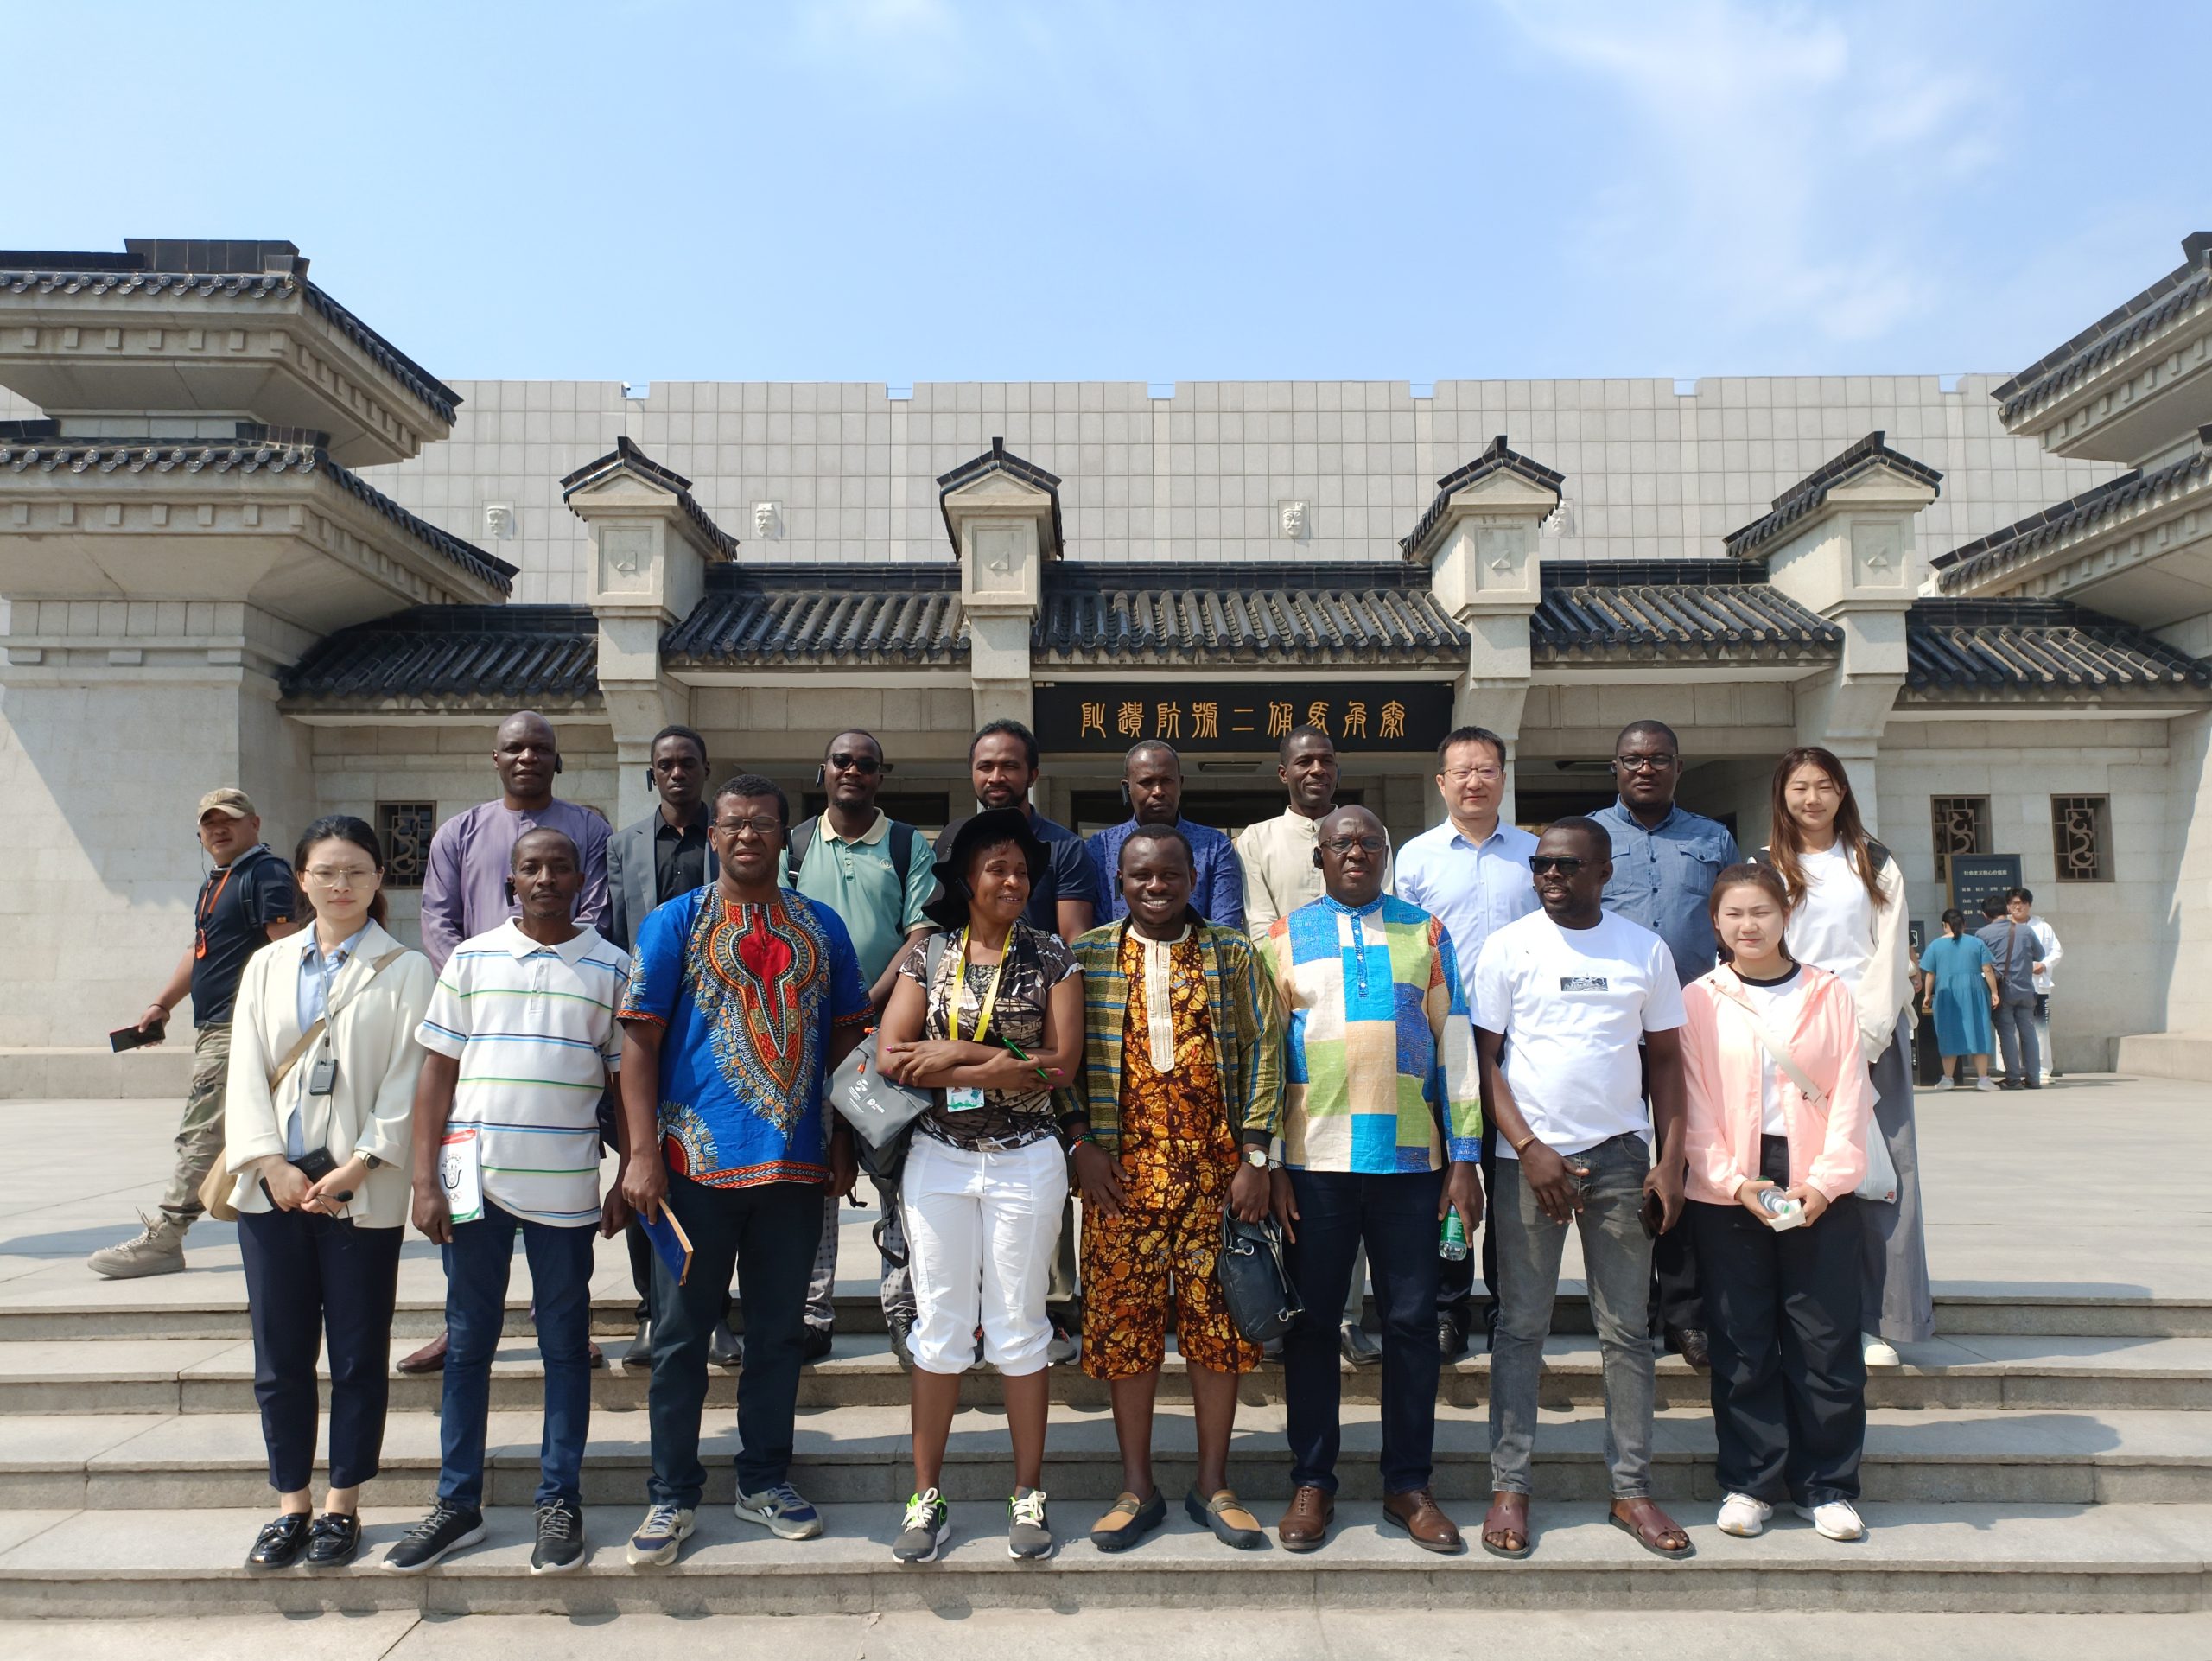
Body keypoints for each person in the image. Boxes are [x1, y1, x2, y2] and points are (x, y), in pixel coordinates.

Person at [614, 774, 871, 1567]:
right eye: (734, 824)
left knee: (777, 1337)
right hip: (690, 1169)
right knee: (679, 1339)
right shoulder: (675, 922)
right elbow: (638, 1043)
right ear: (714, 835)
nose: (748, 835)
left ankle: (763, 1479)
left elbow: (846, 1038)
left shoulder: (821, 926)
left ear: (785, 836)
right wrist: (641, 1154)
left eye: (763, 823)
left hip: (793, 1168)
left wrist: (841, 1139)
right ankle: (671, 1494)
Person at [384, 829, 631, 1576]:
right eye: (531, 867)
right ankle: (457, 1504)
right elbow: (436, 1074)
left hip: (564, 1186)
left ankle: (559, 1501)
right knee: (467, 1343)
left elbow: (624, 1083)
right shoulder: (470, 958)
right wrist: (424, 1180)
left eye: (560, 866)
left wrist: (628, 1170)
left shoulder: (613, 967)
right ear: (511, 881)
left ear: (582, 879)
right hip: (472, 1180)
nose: (545, 877)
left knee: (565, 1346)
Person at [1472, 817, 1694, 1562]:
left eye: (1567, 865)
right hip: (1529, 1164)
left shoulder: (1644, 949)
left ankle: (1631, 1490)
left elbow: (1666, 1062)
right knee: (1520, 1327)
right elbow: (1484, 1062)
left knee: (1626, 1331)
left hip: (1621, 1158)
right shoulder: (1508, 948)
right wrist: (1529, 1148)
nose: (1550, 876)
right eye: (1541, 865)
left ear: (1604, 872)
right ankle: (1510, 1487)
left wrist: (1671, 1160)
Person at [1263, 804, 1482, 1556]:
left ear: (1387, 854)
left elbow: (1457, 1045)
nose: (1355, 852)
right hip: (1314, 1166)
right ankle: (1313, 1481)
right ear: (1319, 856)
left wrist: (1465, 1158)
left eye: (1369, 842)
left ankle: (1408, 1484)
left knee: (1413, 1327)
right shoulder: (1283, 937)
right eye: (1341, 843)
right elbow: (1267, 1057)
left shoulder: (1426, 932)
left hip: (1410, 1164)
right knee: (1312, 1328)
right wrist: (1269, 1162)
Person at [219, 816, 435, 1570]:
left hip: (360, 1196)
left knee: (356, 1353)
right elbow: (243, 1072)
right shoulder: (267, 965)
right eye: (326, 872)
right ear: (302, 880)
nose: (341, 885)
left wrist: (362, 1165)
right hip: (272, 1194)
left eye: (356, 872)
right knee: (279, 1357)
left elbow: (410, 1079)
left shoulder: (406, 969)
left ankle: (342, 1502)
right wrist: (269, 1163)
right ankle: (291, 1505)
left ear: (378, 880)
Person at [874, 809, 1085, 1563]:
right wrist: (998, 1064)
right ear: (966, 880)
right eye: (997, 869)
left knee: (1019, 1326)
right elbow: (893, 1055)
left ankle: (1027, 1493)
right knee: (940, 1326)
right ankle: (925, 1497)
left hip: (1027, 1158)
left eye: (1022, 871)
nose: (1012, 881)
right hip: (940, 1159)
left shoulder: (1053, 957)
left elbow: (1061, 1066)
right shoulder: (929, 954)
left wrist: (960, 1055)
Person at [1063, 825, 1281, 1553]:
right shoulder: (1089, 956)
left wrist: (1256, 1156)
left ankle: (1213, 1484)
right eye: (1140, 876)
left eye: (1169, 875)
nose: (1155, 887)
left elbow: (1264, 1052)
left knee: (1219, 1332)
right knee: (1126, 1334)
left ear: (1193, 877)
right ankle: (1137, 1488)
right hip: (1120, 1183)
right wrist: (1081, 1145)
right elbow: (1062, 1061)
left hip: (1216, 1183)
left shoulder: (1232, 953)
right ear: (1119, 882)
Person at [404, 709, 612, 1376]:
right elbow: (438, 918)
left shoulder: (589, 829)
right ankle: (460, 1325)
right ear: (495, 759)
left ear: (558, 760)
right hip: (478, 1025)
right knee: (468, 1204)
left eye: (540, 748)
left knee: (559, 1212)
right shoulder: (459, 832)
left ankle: (561, 1321)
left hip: (564, 1023)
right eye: (514, 748)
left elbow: (595, 911)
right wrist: (481, 986)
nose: (527, 757)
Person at [1681, 862, 1874, 1544]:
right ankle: (1751, 1482)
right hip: (1730, 1186)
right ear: (1715, 923)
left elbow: (1851, 1095)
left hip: (1815, 1178)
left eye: (1761, 911)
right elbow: (1693, 1104)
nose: (1749, 925)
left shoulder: (1828, 992)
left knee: (1825, 1338)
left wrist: (1824, 1183)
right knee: (1743, 1340)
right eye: (1734, 914)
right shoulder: (1699, 998)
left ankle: (1828, 1486)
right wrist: (1734, 1182)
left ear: (1785, 916)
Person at [1761, 747, 1929, 1369]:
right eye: (1800, 787)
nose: (1813, 799)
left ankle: (1877, 1321)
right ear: (1782, 795)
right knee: (1798, 1175)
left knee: (1880, 1180)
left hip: (1869, 1035)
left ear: (1842, 792)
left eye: (1825, 786)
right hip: (1790, 1042)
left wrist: (1867, 1039)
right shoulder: (1765, 866)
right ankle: (1804, 1318)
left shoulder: (1873, 862)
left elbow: (1889, 955)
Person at [936, 718, 1098, 1365]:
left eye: (1009, 765)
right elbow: (937, 930)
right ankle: (974, 1318)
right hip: (959, 1013)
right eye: (985, 766)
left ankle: (1051, 1309)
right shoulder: (954, 839)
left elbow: (1073, 942)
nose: (996, 776)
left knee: (1041, 1174)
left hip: (1040, 1025)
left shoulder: (1064, 848)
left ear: (1034, 773)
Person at [90, 788, 302, 1278]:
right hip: (216, 1025)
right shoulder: (218, 881)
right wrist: (162, 1004)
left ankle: (166, 1236)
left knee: (202, 1132)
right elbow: (200, 949)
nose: (218, 829)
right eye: (209, 823)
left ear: (255, 823)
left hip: (237, 1027)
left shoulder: (265, 873)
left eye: (229, 820)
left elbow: (287, 950)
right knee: (231, 1131)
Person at [1236, 724, 1397, 1366]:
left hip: (1360, 1025)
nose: (1316, 770)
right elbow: (1256, 926)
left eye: (1326, 760)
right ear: (1284, 773)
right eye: (1303, 761)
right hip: (1285, 1010)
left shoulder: (1367, 833)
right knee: (1287, 1181)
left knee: (1347, 1173)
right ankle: (1286, 1314)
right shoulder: (1257, 841)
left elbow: (1383, 911)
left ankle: (1347, 1319)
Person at [781, 729, 938, 1367]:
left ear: (880, 775)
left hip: (887, 1038)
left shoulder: (906, 844)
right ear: (822, 770)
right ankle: (811, 1314)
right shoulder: (795, 844)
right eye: (841, 761)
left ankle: (903, 1311)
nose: (852, 771)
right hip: (808, 1043)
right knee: (816, 1177)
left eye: (865, 764)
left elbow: (922, 934)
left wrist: (867, 1002)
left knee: (897, 1178)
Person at [1592, 719, 1739, 1374]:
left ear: (1679, 768)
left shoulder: (1712, 838)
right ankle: (1631, 1309)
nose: (1645, 769)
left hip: (1692, 1025)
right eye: (1633, 759)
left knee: (1685, 1164)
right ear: (1615, 769)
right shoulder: (1591, 835)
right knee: (1626, 1169)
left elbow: (1734, 923)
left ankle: (1686, 1313)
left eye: (1658, 759)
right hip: (1613, 1029)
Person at [1395, 725, 1539, 1362]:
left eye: (1486, 770)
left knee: (1510, 1185)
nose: (1474, 782)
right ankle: (1448, 1309)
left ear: (1503, 777)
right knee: (1446, 1182)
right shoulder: (1416, 858)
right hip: (1443, 1040)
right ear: (1441, 782)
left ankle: (1512, 1312)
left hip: (1520, 1043)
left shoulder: (1536, 853)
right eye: (1462, 772)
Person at [605, 723, 715, 1367]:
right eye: (666, 764)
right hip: (647, 1027)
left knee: (712, 1175)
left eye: (687, 763)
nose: (677, 773)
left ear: (705, 770)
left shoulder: (728, 837)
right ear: (652, 774)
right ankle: (651, 1310)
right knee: (641, 1167)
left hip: (715, 1027)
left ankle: (713, 1313)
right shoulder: (624, 846)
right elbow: (615, 931)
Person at [1085, 740, 1244, 930]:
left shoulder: (1215, 846)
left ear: (1180, 783)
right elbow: (1095, 927)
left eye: (1167, 781)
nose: (1158, 791)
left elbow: (1225, 928)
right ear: (1127, 788)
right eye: (1146, 782)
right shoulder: (1100, 847)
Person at [1920, 908, 1999, 1091]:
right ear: (1964, 924)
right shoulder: (1976, 943)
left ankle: (1948, 1079)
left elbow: (1930, 974)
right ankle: (1983, 1079)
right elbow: (1987, 969)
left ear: (1944, 925)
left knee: (1948, 1033)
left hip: (1946, 992)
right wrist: (1994, 992)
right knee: (1979, 1031)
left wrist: (1927, 995)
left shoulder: (1935, 946)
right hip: (1974, 991)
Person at [1977, 892, 2042, 1091]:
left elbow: (1980, 964)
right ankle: (2033, 1078)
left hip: (2002, 991)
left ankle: (2013, 1078)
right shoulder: (2026, 931)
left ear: (1985, 914)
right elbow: (2040, 954)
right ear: (2006, 910)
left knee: (2006, 1034)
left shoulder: (1982, 934)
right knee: (2029, 1033)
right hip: (2026, 989)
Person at [2012, 888, 2063, 1085]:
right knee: (2011, 1030)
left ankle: (2042, 1070)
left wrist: (2044, 965)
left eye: (2022, 903)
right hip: (2011, 987)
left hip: (2038, 986)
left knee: (2040, 1029)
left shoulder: (2043, 927)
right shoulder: (2003, 927)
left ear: (2029, 905)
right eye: (2014, 903)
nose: (2018, 907)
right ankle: (2012, 1070)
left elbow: (2056, 951)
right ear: (2008, 906)